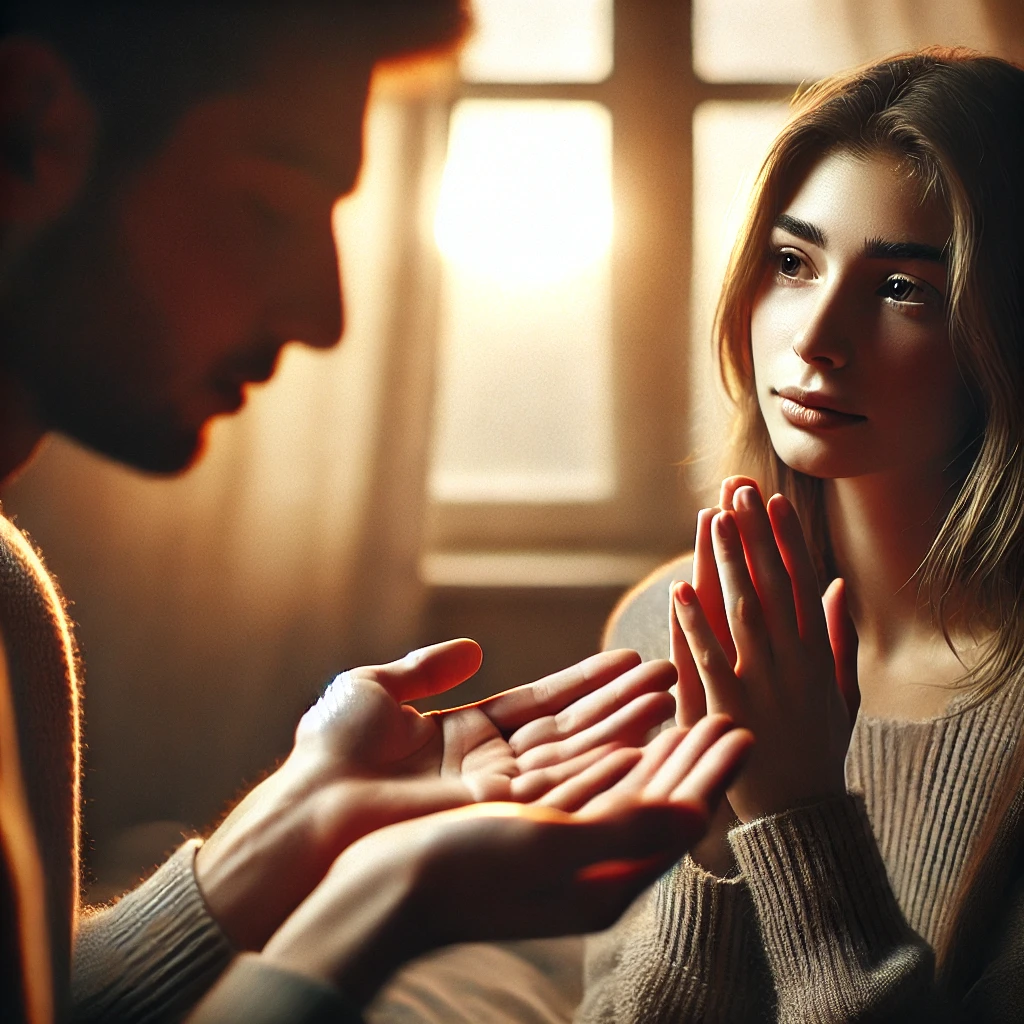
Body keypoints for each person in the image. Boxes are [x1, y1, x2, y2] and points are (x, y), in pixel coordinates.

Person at [0, 3, 755, 1022]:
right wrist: (376, 902)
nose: (325, 314)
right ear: (32, 127)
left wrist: (291, 832)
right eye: (265, 207)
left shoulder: (10, 594)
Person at [577, 47, 1024, 1022]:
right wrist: (707, 846)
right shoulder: (669, 625)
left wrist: (792, 815)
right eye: (792, 262)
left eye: (903, 288)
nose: (813, 337)